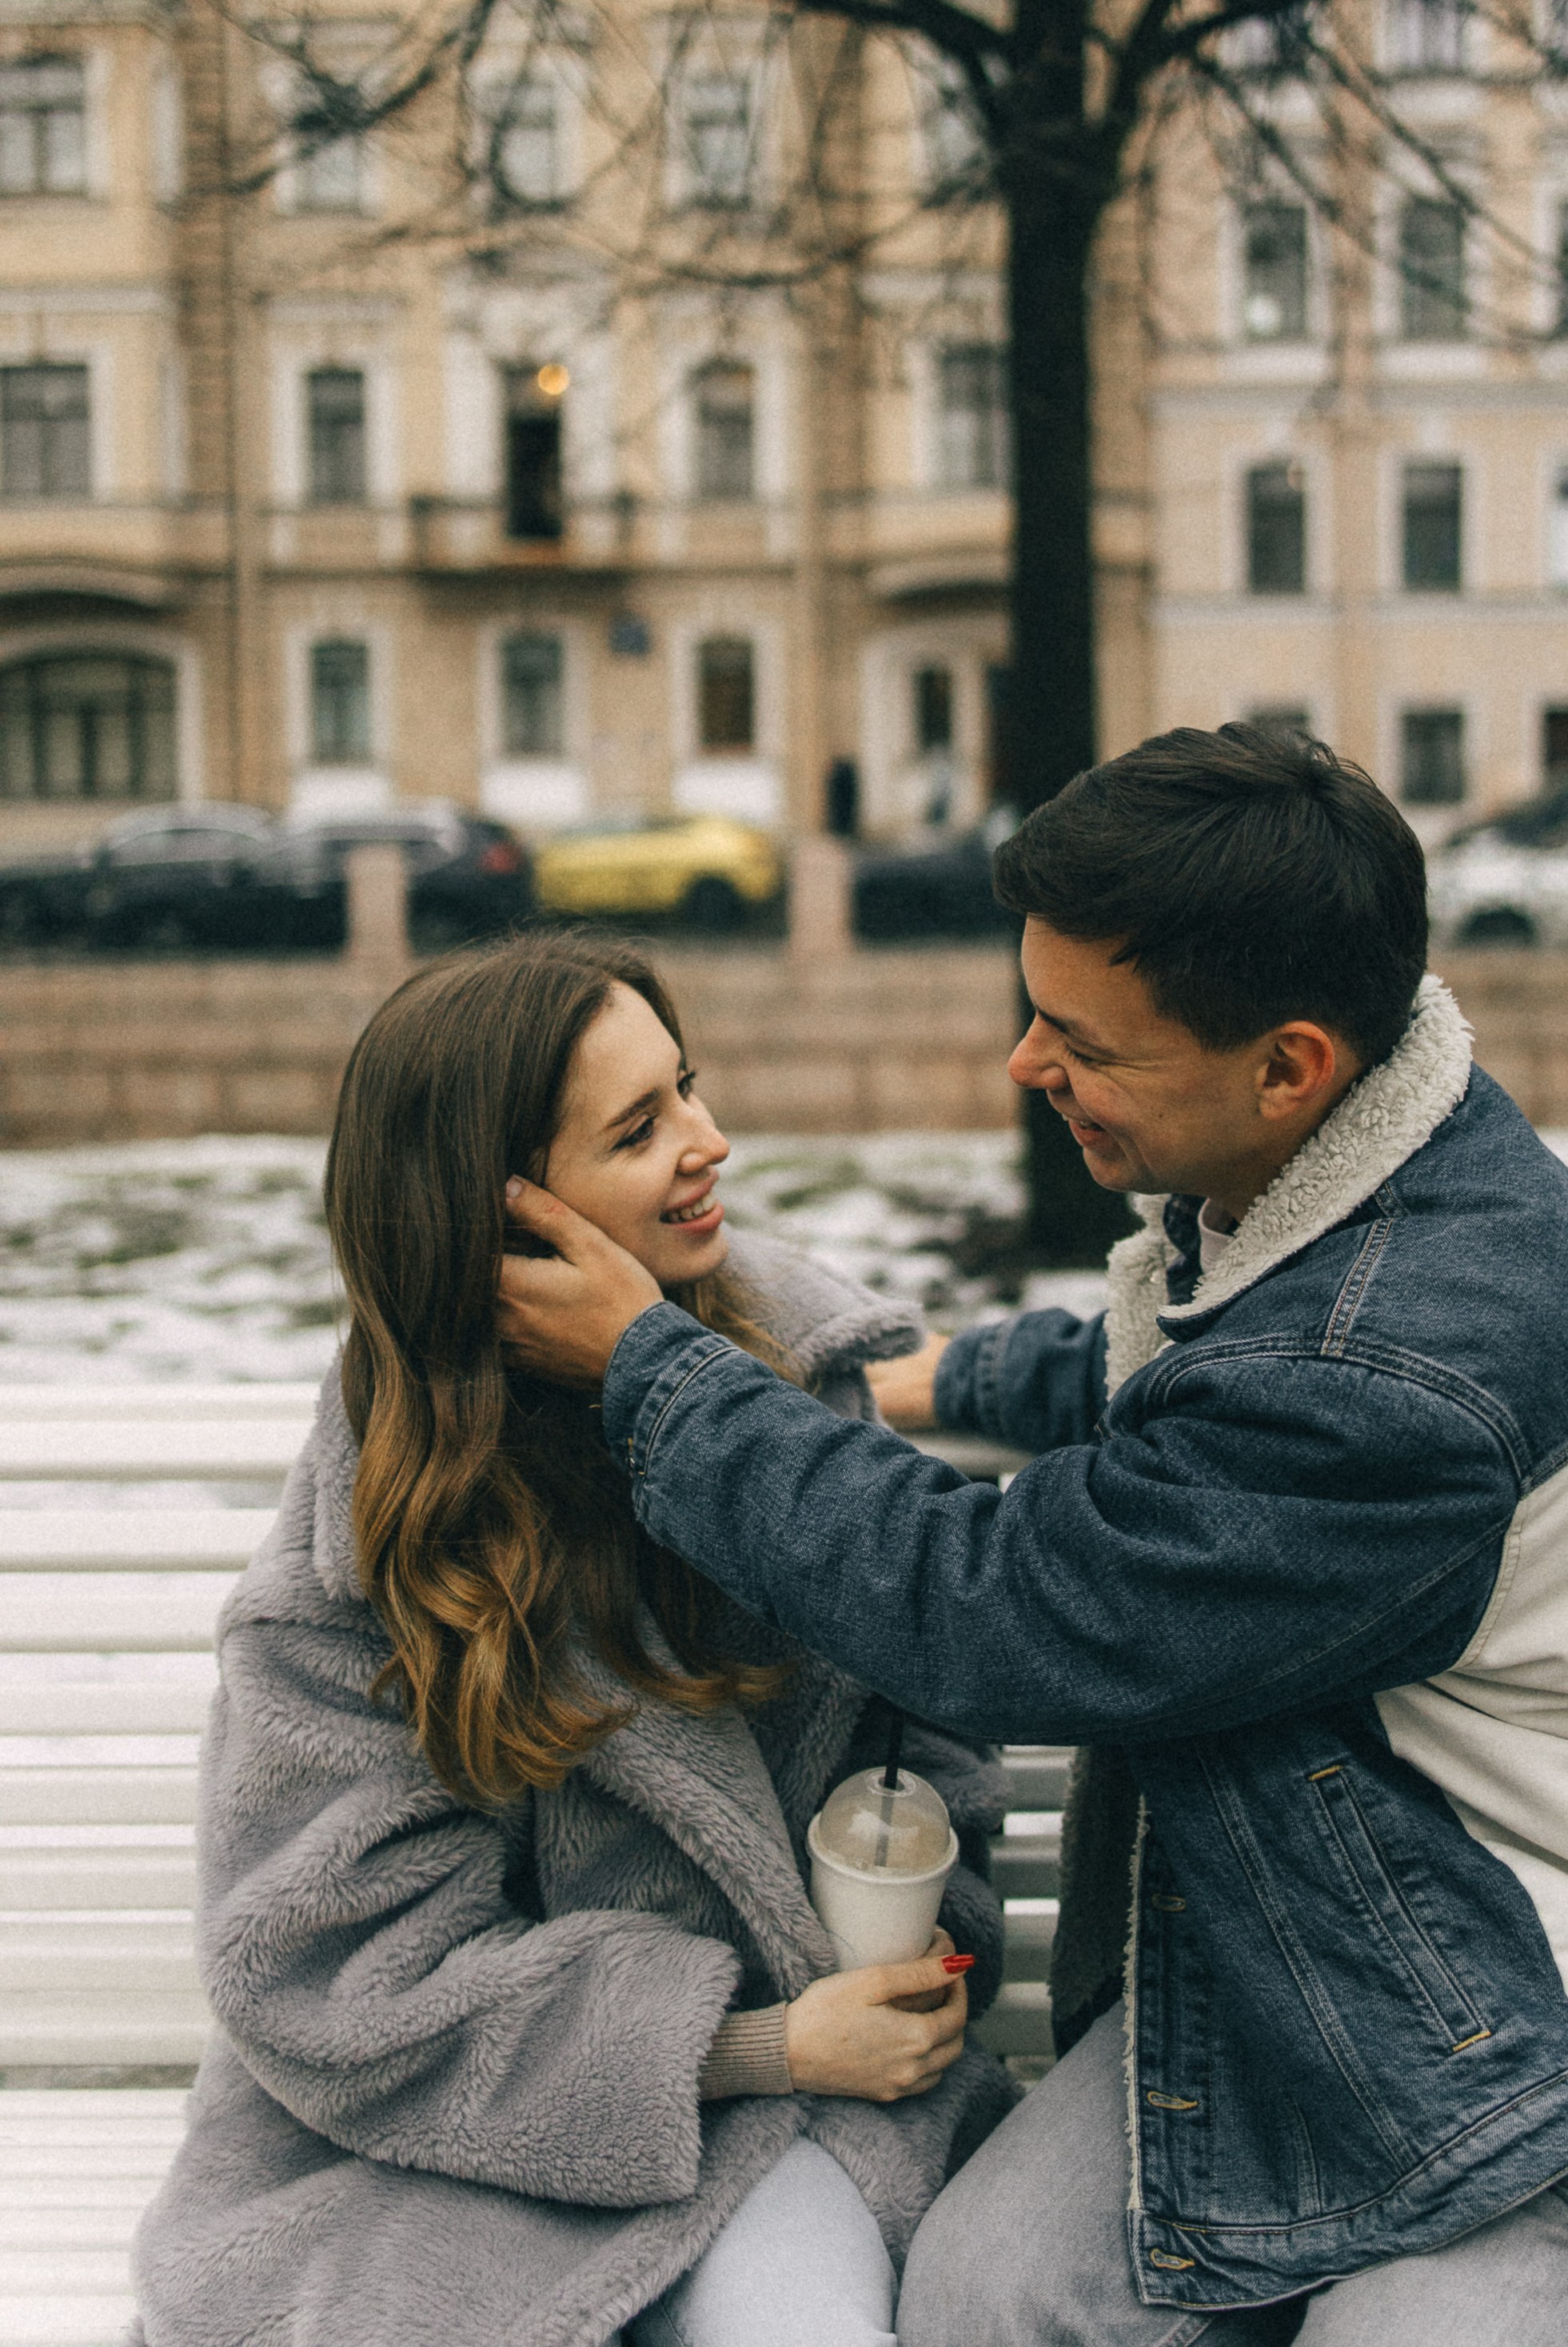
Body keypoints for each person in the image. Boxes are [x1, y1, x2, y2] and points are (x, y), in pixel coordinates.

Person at [499, 724, 1568, 2347]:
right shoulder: (1369, 1178)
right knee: (992, 2304)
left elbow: (1003, 1614)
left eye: (1080, 1038)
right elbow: (1199, 1378)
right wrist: (958, 1372)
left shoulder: (1398, 1361)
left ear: (1286, 1064)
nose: (1024, 1065)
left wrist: (658, 1376)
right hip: (1346, 1985)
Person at [130, 934, 1012, 2347]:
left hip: (806, 2113)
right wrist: (745, 2039)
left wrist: (918, 1946)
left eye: (691, 1090)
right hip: (444, 2154)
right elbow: (328, 1974)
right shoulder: (363, 1545)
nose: (710, 1143)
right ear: (511, 1216)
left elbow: (927, 1730)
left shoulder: (799, 1395)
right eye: (641, 1126)